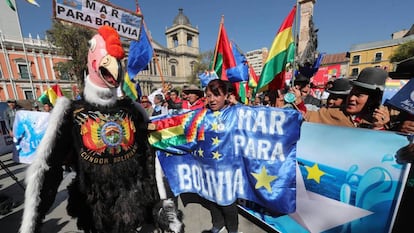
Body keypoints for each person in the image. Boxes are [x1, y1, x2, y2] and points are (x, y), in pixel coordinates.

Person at [202, 79, 240, 233]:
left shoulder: (236, 112)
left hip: (228, 168)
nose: (212, 100)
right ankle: (217, 224)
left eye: (216, 95)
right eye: (209, 95)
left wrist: (236, 103)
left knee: (227, 202)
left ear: (226, 95)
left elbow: (256, 118)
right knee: (212, 198)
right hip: (209, 166)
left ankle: (232, 229)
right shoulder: (202, 115)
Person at [303, 67, 390, 130]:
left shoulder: (382, 121)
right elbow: (306, 115)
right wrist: (298, 103)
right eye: (351, 93)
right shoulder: (335, 113)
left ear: (372, 100)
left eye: (359, 95)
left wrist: (378, 127)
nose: (351, 98)